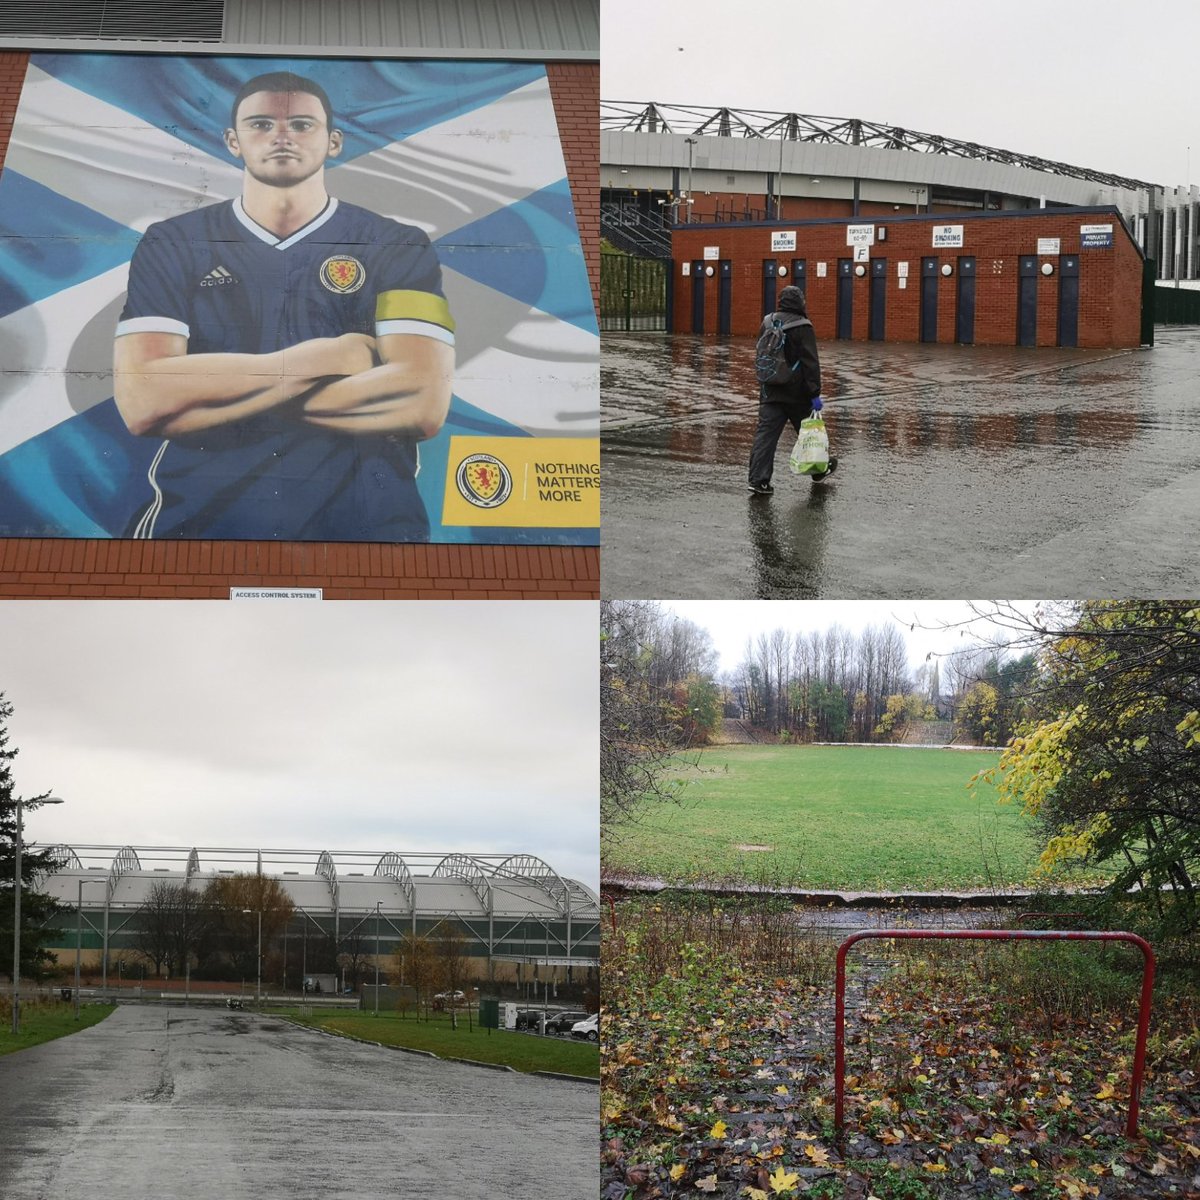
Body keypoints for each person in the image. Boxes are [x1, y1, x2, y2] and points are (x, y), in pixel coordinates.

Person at [113, 71, 455, 540]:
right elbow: (142, 400)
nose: (280, 136)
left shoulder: (398, 245)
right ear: (233, 141)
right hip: (197, 523)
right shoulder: (173, 242)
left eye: (300, 124)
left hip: (368, 524)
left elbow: (421, 402)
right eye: (260, 124)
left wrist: (210, 391)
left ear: (333, 141)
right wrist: (325, 359)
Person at [747, 285, 836, 494]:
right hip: (797, 395)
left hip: (770, 391)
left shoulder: (768, 321)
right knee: (810, 434)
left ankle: (758, 481)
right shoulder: (803, 326)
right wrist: (815, 396)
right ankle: (819, 470)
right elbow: (810, 364)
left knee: (765, 437)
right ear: (800, 302)